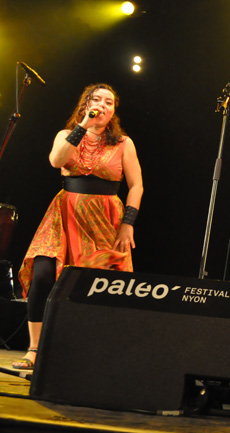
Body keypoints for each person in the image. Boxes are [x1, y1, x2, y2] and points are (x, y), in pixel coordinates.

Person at [12, 83, 143, 370]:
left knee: (97, 285)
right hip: (64, 213)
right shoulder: (66, 135)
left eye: (108, 102)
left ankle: (91, 353)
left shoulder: (124, 143)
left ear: (113, 111)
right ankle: (34, 349)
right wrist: (83, 126)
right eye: (96, 100)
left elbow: (136, 185)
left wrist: (128, 224)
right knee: (43, 275)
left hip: (104, 220)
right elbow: (56, 160)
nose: (102, 105)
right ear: (85, 105)